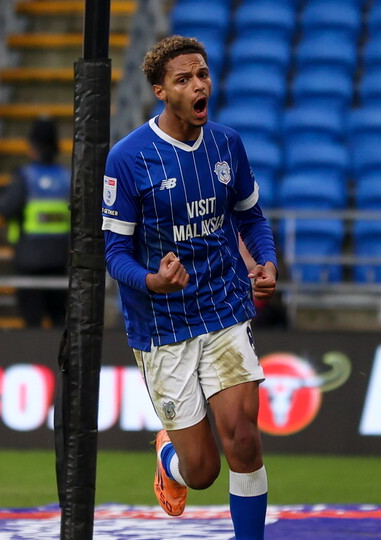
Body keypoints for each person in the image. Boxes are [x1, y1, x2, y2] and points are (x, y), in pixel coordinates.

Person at [101, 36, 277, 539]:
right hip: (163, 323)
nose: (199, 85)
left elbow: (251, 217)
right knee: (202, 471)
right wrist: (152, 279)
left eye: (202, 74)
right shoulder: (128, 158)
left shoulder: (227, 144)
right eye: (184, 79)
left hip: (224, 305)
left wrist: (266, 261)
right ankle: (169, 458)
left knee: (243, 438)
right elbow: (114, 254)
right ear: (161, 91)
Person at [0, 118, 70, 328]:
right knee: (60, 321)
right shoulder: (67, 178)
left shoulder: (25, 177)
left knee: (32, 323)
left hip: (29, 263)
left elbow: (7, 209)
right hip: (60, 260)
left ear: (32, 147)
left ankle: (35, 361)